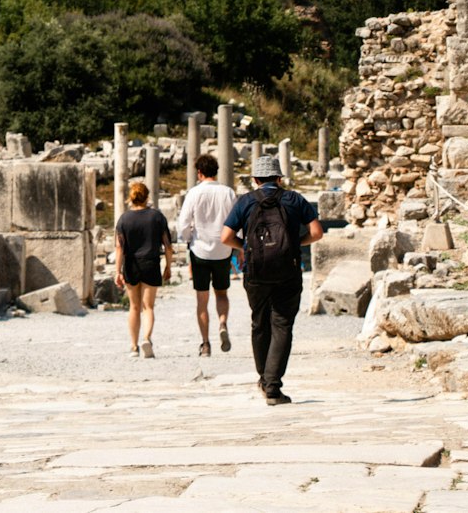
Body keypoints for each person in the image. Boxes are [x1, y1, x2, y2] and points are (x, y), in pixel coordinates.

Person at [221, 154, 323, 406]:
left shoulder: (245, 201)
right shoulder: (294, 199)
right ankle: (274, 387)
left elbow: (225, 237)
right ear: (279, 178)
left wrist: (243, 247)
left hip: (256, 271)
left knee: (259, 322)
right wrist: (295, 243)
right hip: (288, 271)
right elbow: (317, 233)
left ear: (255, 179)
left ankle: (264, 379)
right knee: (282, 324)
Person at [177, 153, 236, 356]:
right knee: (222, 293)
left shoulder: (193, 193)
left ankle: (205, 344)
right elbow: (236, 222)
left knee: (202, 299)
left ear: (199, 172)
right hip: (223, 250)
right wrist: (238, 247)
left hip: (200, 251)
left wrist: (187, 239)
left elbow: (183, 223)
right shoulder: (228, 193)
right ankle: (222, 323)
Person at [114, 180, 172, 358]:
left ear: (131, 198)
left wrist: (117, 271)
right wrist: (168, 266)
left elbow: (119, 247)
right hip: (151, 262)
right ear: (147, 197)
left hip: (131, 264)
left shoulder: (124, 219)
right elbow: (168, 245)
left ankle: (133, 346)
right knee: (148, 307)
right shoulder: (157, 217)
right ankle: (146, 338)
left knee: (134, 307)